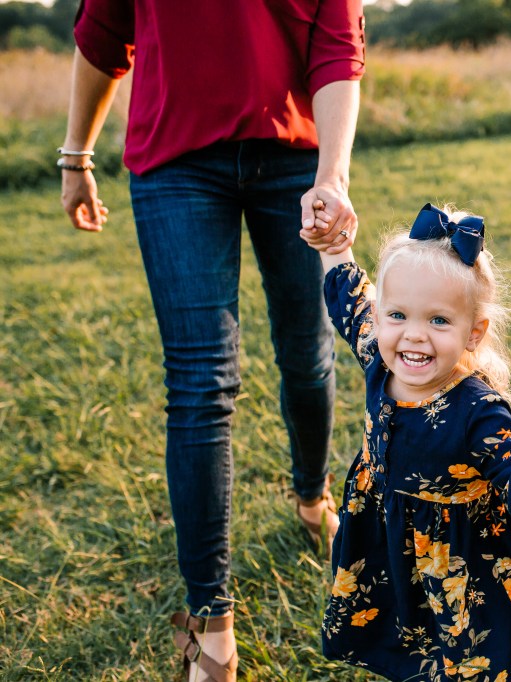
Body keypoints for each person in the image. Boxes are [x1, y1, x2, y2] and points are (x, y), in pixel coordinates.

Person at [59, 1, 365, 678]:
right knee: (201, 382)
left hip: (294, 161)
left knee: (308, 357)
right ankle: (212, 622)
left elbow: (337, 51)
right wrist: (75, 154)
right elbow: (104, 36)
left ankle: (311, 497)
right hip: (175, 167)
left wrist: (331, 178)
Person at [299, 202, 511, 681]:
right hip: (387, 539)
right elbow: (350, 303)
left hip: (459, 560)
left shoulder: (477, 410)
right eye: (399, 315)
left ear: (474, 334)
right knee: (402, 636)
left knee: (467, 657)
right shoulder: (378, 354)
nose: (413, 335)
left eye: (438, 321)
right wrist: (335, 247)